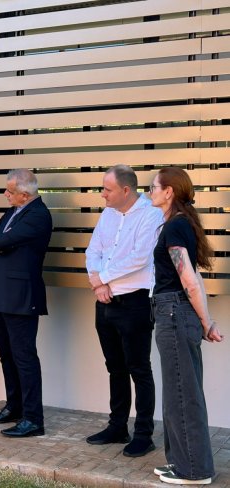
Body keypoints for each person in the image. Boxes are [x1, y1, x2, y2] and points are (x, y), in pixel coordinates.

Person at [149, 167, 223, 485]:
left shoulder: (176, 226)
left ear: (169, 192)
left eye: (153, 187)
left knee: (182, 393)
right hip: (175, 312)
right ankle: (182, 463)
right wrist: (206, 320)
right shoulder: (180, 224)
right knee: (180, 391)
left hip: (173, 313)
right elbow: (194, 279)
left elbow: (189, 280)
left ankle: (194, 471)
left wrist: (205, 322)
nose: (149, 192)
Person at [84, 165, 163, 457]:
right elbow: (93, 251)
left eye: (107, 189)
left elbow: (140, 258)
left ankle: (144, 434)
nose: (102, 194)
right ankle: (117, 426)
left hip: (135, 302)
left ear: (126, 190)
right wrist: (98, 284)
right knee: (115, 367)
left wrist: (103, 278)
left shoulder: (151, 214)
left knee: (139, 368)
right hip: (105, 300)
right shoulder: (108, 214)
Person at [0, 169, 52, 438]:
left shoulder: (38, 215)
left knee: (24, 357)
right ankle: (14, 407)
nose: (5, 194)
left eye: (9, 191)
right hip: (0, 294)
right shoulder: (13, 212)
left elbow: (5, 239)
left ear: (24, 194)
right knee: (6, 353)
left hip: (21, 296)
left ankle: (33, 419)